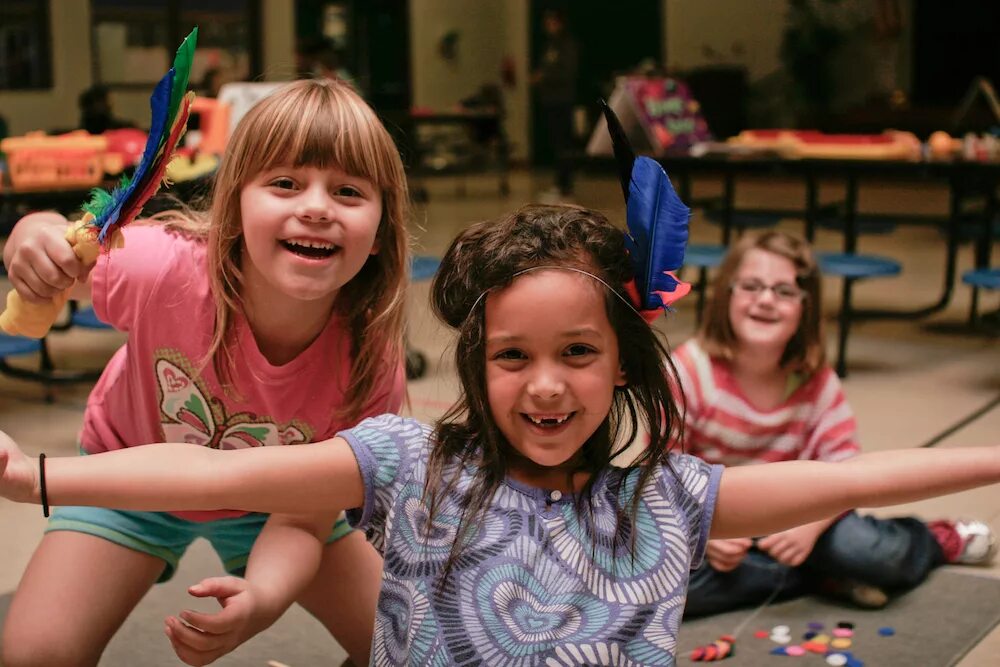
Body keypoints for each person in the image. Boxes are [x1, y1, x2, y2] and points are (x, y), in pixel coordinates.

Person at [1, 205, 998, 665]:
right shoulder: (402, 457)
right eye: (513, 355)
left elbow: (857, 473)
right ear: (474, 362)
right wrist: (33, 474)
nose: (547, 385)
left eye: (577, 351)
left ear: (622, 360)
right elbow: (213, 462)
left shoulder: (668, 494)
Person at [0, 78, 410, 667]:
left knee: (413, 644)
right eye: (286, 183)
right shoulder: (163, 268)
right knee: (34, 655)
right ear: (235, 205)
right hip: (125, 483)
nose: (316, 207)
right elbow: (57, 243)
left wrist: (265, 597)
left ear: (379, 234)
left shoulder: (372, 368)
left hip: (277, 504)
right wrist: (30, 238)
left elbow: (303, 518)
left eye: (347, 191)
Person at [674, 230, 997, 617]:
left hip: (802, 518)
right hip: (716, 524)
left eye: (785, 291)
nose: (765, 300)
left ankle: (932, 539)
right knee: (666, 588)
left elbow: (848, 473)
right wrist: (703, 532)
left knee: (868, 553)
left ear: (805, 308)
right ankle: (817, 577)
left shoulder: (816, 381)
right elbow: (663, 473)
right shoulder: (686, 371)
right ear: (726, 292)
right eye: (751, 286)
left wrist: (809, 529)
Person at [531, 8, 578, 199]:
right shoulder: (551, 46)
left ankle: (565, 184)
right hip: (550, 100)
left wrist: (544, 77)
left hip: (562, 100)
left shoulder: (567, 46)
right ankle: (559, 183)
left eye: (551, 22)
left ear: (559, 23)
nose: (547, 26)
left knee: (563, 143)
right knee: (556, 142)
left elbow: (567, 72)